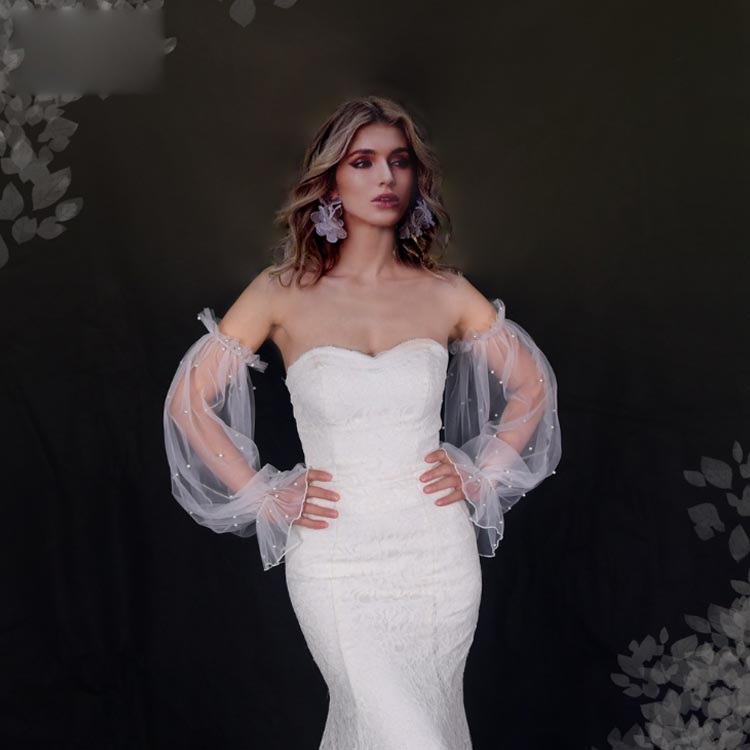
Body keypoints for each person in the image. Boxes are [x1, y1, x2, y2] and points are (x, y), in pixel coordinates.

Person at [163, 95, 562, 750]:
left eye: (399, 162)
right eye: (363, 161)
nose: (385, 177)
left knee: (425, 729)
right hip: (335, 558)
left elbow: (531, 385)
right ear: (330, 183)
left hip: (435, 557)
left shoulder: (444, 292)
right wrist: (264, 492)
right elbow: (190, 400)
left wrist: (483, 472)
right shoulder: (279, 291)